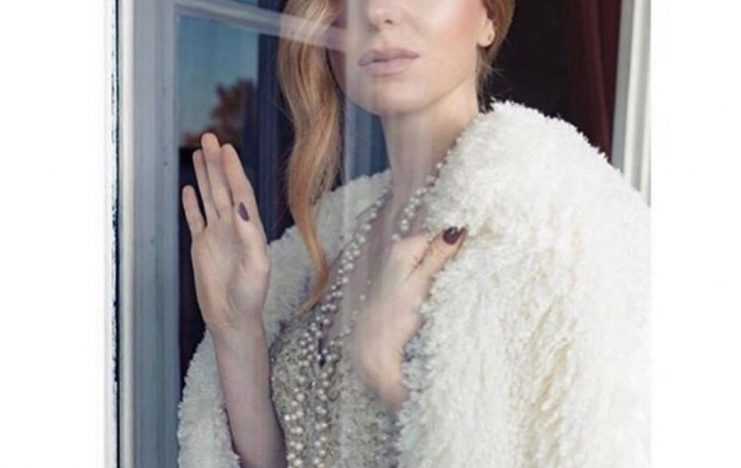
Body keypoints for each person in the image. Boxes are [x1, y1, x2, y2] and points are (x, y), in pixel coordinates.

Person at [177, 1, 650, 467]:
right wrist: (236, 330)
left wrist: (389, 377)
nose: (377, 12)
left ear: (488, 19)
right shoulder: (336, 233)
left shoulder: (565, 224)